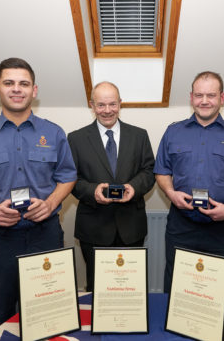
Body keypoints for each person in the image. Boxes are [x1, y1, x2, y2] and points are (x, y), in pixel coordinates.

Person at [0, 57, 77, 330]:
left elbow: (67, 176)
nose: (17, 89)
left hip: (44, 234)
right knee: (1, 308)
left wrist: (51, 203)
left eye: (24, 83)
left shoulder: (54, 133)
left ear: (34, 90)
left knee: (49, 309)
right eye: (9, 83)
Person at [154, 71, 224, 310]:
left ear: (222, 97)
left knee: (220, 292)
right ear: (191, 97)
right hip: (181, 225)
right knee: (178, 289)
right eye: (199, 95)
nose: (205, 101)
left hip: (221, 227)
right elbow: (162, 171)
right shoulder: (173, 132)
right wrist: (171, 194)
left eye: (211, 95)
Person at [67, 81, 155, 291]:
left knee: (130, 286)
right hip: (93, 227)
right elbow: (70, 179)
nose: (107, 111)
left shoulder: (139, 135)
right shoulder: (76, 138)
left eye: (112, 104)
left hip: (131, 227)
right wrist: (92, 191)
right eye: (101, 105)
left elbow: (149, 171)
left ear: (120, 104)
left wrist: (134, 187)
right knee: (97, 286)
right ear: (92, 105)